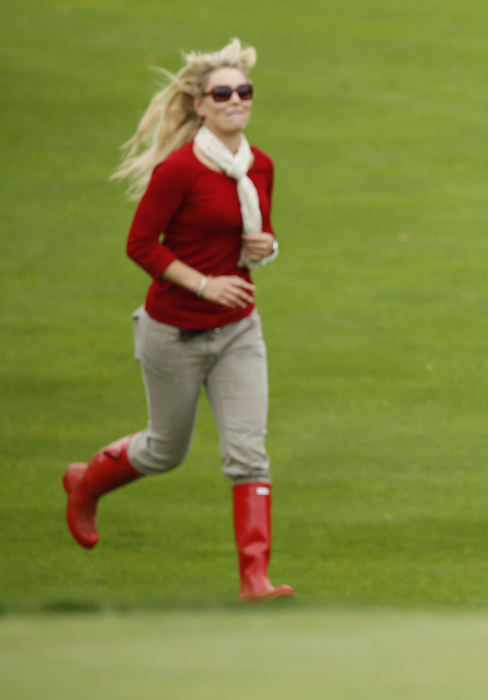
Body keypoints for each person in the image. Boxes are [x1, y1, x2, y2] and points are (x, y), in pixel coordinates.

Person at [62, 38, 293, 600]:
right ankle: (85, 482)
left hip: (239, 329)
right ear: (200, 105)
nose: (236, 99)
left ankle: (254, 579)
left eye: (244, 91)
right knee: (165, 450)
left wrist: (265, 248)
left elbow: (251, 238)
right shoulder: (180, 170)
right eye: (223, 92)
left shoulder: (259, 166)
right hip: (174, 332)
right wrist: (203, 283)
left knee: (248, 453)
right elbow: (140, 244)